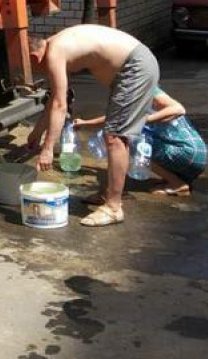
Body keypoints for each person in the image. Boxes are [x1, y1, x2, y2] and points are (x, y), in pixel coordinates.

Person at [27, 24, 159, 227]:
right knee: (113, 135)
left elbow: (60, 105)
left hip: (135, 67)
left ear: (35, 58)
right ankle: (108, 194)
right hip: (135, 64)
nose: (35, 75)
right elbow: (56, 100)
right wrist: (37, 132)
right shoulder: (57, 45)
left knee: (115, 137)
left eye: (30, 69)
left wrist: (47, 148)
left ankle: (113, 208)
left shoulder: (54, 52)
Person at [73, 88, 208, 197]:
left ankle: (177, 184)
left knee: (129, 140)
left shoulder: (140, 94)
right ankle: (173, 177)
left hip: (186, 154)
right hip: (199, 156)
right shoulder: (154, 92)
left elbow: (178, 109)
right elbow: (113, 119)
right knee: (137, 134)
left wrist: (143, 121)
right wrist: (86, 123)